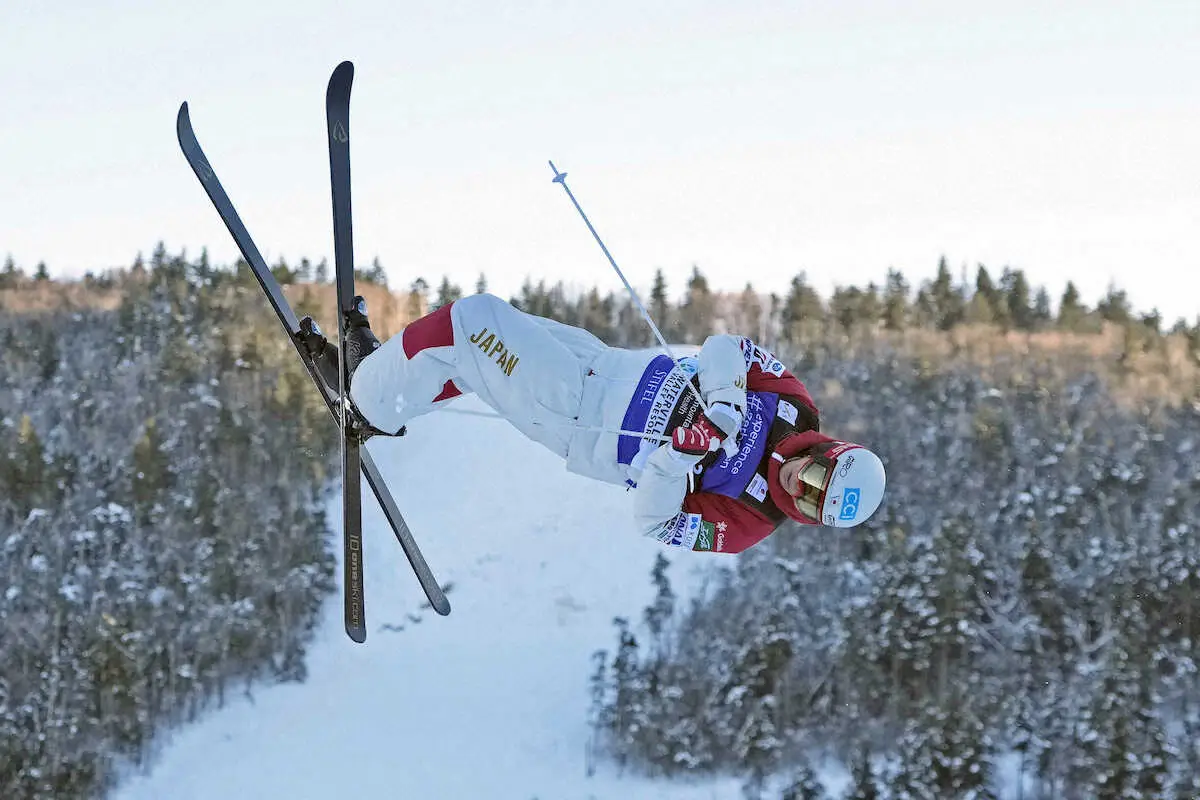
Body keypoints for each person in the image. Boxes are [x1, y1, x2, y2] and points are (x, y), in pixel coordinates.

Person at [299, 292, 885, 554]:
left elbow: (654, 522)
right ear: (829, 450)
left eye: (810, 507)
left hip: (583, 419)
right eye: (814, 482)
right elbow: (726, 347)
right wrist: (726, 402)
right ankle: (382, 380)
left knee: (473, 320)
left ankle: (363, 402)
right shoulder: (793, 408)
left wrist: (681, 455)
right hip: (601, 362)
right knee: (472, 357)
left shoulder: (751, 522)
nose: (798, 494)